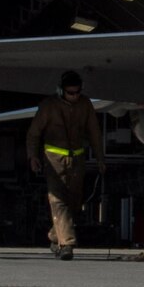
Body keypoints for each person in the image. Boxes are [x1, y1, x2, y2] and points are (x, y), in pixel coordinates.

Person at [26, 70, 104, 260]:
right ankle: (67, 244)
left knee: (74, 204)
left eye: (77, 92)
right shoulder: (48, 106)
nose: (74, 96)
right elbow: (34, 133)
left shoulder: (85, 105)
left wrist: (101, 158)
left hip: (77, 160)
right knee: (57, 199)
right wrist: (33, 157)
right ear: (61, 91)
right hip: (53, 160)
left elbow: (94, 133)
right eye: (70, 93)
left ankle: (55, 236)